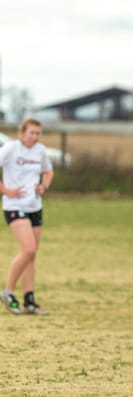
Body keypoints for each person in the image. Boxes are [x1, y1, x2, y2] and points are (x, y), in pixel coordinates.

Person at [0, 118, 53, 316]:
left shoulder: (40, 150)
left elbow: (48, 171)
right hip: (14, 206)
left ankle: (29, 299)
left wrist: (43, 186)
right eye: (31, 132)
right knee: (28, 249)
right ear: (22, 133)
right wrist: (6, 190)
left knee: (31, 255)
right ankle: (7, 292)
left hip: (34, 207)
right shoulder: (11, 148)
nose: (35, 137)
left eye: (38, 133)